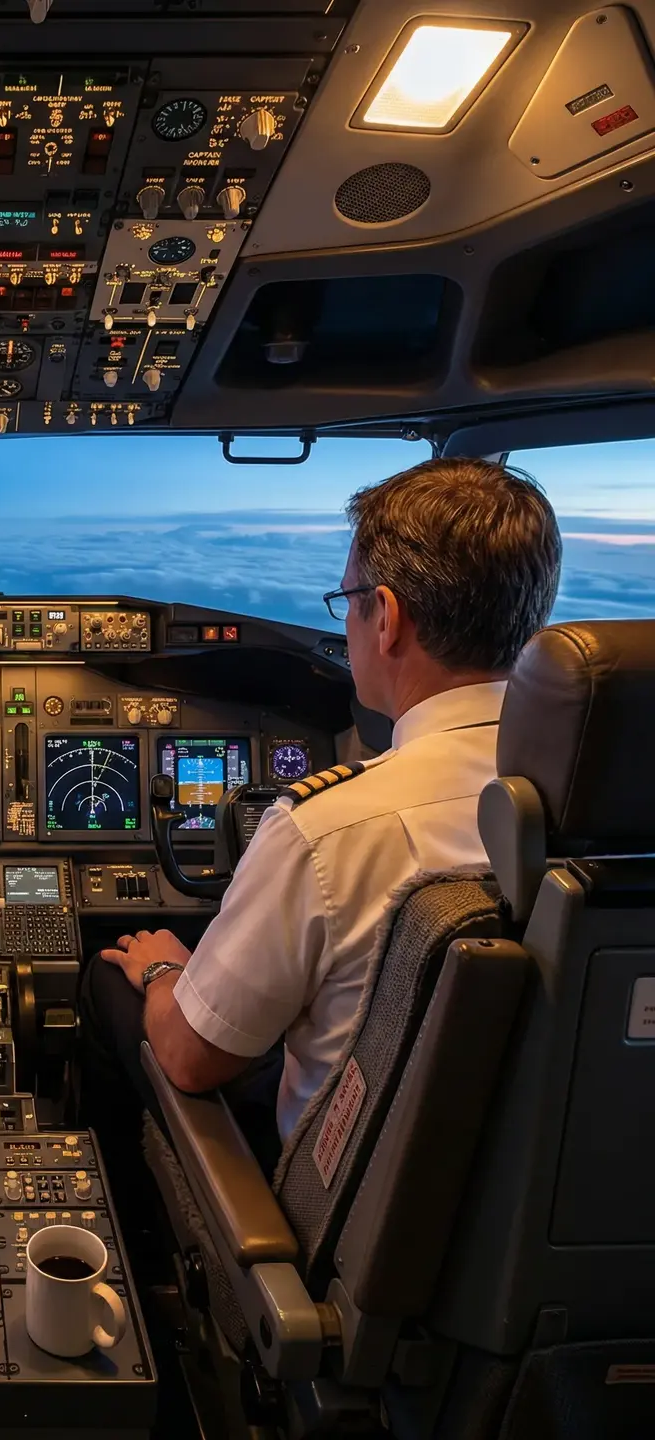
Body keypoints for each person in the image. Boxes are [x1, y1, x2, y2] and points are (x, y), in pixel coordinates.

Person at [80, 457, 563, 1174]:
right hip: (549, 1189)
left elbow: (189, 1057)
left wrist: (163, 975)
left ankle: (154, 1246)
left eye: (350, 601)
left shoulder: (330, 831)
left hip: (350, 1216)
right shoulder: (613, 806)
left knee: (110, 979)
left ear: (389, 618)